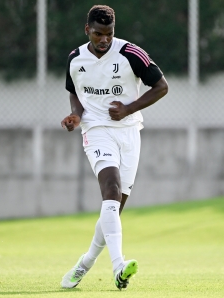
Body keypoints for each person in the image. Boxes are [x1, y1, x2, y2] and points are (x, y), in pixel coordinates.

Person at [59, 5, 169, 291]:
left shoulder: (131, 54)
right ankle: (119, 266)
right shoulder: (75, 59)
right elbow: (75, 92)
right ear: (87, 31)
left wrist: (129, 108)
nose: (104, 40)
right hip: (96, 131)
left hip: (129, 133)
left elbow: (161, 86)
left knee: (114, 208)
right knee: (110, 189)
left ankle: (84, 264)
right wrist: (76, 116)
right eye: (98, 34)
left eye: (108, 34)